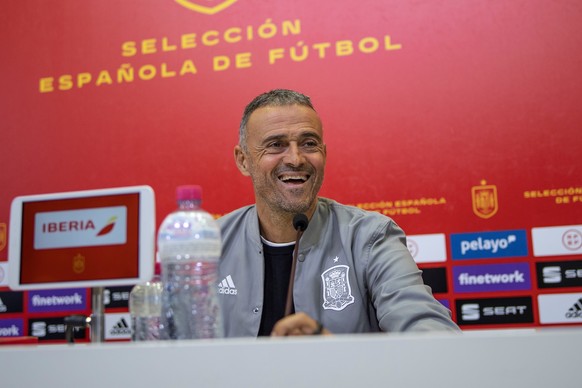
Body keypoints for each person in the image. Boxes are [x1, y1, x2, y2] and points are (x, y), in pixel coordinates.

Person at [217, 89, 460, 337]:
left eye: (308, 143)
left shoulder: (370, 237)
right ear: (243, 160)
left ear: (324, 153)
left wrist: (336, 354)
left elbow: (433, 336)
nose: (295, 158)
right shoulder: (208, 246)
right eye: (276, 145)